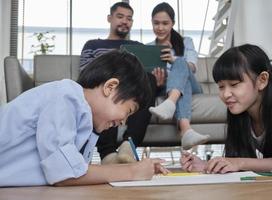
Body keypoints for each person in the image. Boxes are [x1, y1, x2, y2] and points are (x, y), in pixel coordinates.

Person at [0, 50, 168, 187]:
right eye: (129, 111)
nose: (124, 121)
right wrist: (132, 171)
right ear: (110, 87)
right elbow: (65, 174)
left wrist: (134, 168)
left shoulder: (85, 123)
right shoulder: (65, 95)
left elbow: (79, 170)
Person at [180, 44, 272, 173]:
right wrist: (208, 165)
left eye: (234, 84)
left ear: (262, 80)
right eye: (221, 87)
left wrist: (238, 162)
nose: (226, 94)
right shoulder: (241, 112)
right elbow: (243, 163)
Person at [80, 2, 165, 164]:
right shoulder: (93, 45)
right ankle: (108, 154)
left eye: (129, 18)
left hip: (133, 90)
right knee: (113, 82)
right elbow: (87, 76)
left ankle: (129, 144)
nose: (125, 21)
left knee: (149, 79)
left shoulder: (138, 47)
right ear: (109, 18)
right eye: (120, 16)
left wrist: (158, 81)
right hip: (107, 87)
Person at [148, 2, 210, 150]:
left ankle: (169, 103)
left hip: (193, 86)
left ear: (172, 24)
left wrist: (173, 59)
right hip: (166, 87)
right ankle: (186, 130)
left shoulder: (186, 42)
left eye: (165, 23)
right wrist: (157, 80)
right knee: (183, 85)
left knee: (181, 63)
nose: (160, 27)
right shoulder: (149, 47)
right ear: (151, 23)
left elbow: (192, 68)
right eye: (156, 23)